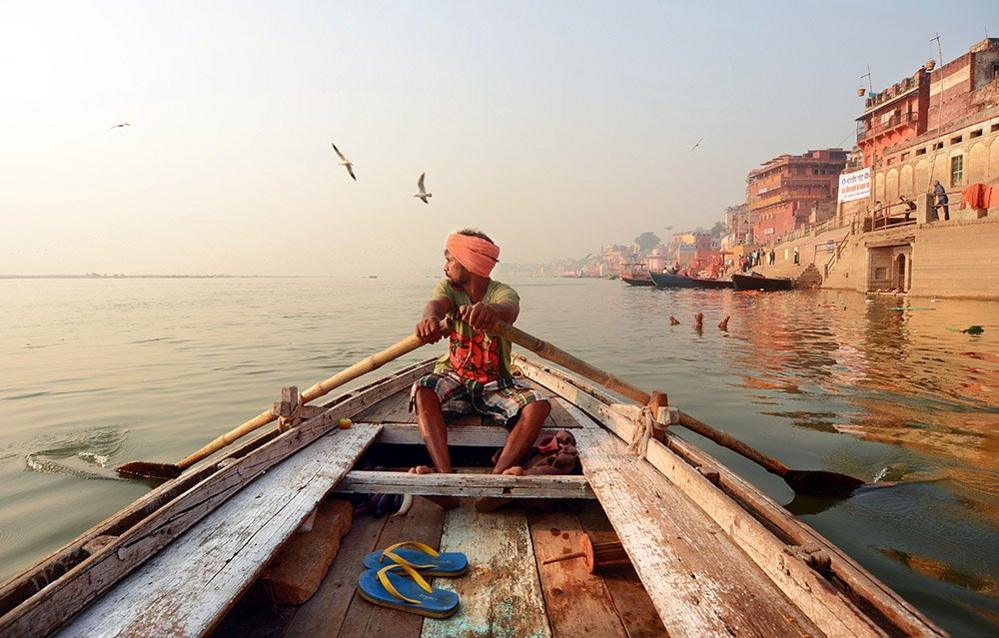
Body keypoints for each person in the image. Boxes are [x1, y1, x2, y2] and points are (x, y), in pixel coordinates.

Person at [412, 229, 551, 506]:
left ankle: (495, 485)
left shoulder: (503, 292)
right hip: (455, 378)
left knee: (538, 406)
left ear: (467, 263)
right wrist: (429, 320)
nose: (445, 266)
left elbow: (509, 309)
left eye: (449, 259)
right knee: (423, 388)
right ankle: (445, 480)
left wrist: (492, 312)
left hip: (495, 383)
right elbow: (435, 306)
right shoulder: (448, 289)